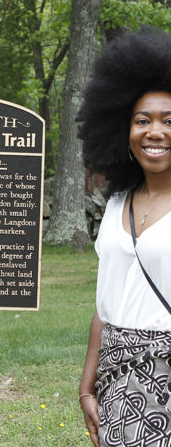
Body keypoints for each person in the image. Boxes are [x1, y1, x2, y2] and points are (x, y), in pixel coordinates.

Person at [78, 27, 171, 446]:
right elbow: (105, 303)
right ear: (121, 129)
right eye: (142, 120)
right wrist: (87, 384)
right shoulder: (116, 205)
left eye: (170, 122)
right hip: (117, 375)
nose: (155, 132)